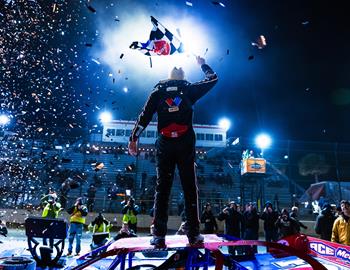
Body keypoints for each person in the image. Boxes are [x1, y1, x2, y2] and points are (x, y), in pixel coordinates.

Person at [128, 56, 218, 247]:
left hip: (165, 143)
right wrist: (203, 64)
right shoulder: (189, 88)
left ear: (168, 77)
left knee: (163, 189)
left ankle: (159, 235)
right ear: (182, 76)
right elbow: (213, 78)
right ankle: (193, 234)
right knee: (189, 189)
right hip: (184, 142)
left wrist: (134, 138)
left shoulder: (158, 90)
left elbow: (144, 115)